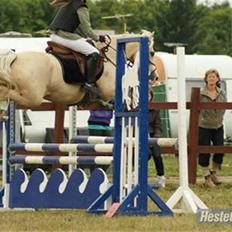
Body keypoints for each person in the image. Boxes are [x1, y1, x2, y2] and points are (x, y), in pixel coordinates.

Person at [49, 0, 107, 95]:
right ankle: (89, 84)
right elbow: (87, 30)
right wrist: (98, 38)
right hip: (64, 37)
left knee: (85, 43)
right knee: (94, 53)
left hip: (54, 36)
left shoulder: (68, 4)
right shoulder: (81, 7)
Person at [198, 69, 226, 187]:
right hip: (204, 126)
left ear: (218, 79)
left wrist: (219, 118)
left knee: (219, 150)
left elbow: (224, 106)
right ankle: (206, 177)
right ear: (206, 79)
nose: (211, 79)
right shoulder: (200, 93)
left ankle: (214, 172)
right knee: (205, 152)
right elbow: (195, 108)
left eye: (214, 77)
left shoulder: (221, 93)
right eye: (209, 77)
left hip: (218, 125)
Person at [148, 90, 166, 188]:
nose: (146, 97)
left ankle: (161, 176)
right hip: (138, 136)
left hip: (152, 136)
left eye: (148, 95)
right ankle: (136, 175)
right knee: (146, 154)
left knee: (157, 155)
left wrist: (156, 138)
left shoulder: (155, 110)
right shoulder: (135, 108)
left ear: (151, 97)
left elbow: (158, 126)